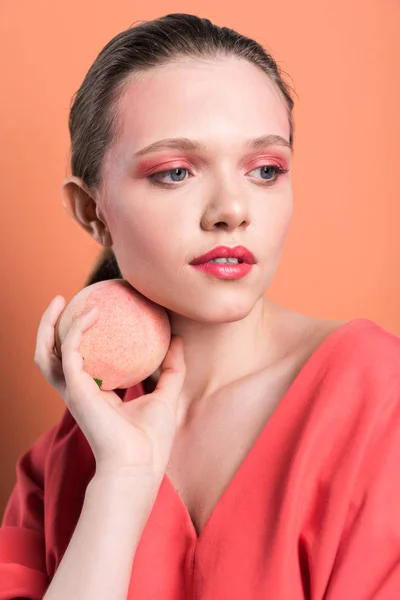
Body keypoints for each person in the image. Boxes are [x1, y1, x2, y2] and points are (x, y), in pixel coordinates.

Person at [1, 12, 400, 600]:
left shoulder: (380, 398)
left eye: (266, 169)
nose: (232, 209)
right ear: (92, 212)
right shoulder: (59, 464)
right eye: (175, 172)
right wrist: (122, 480)